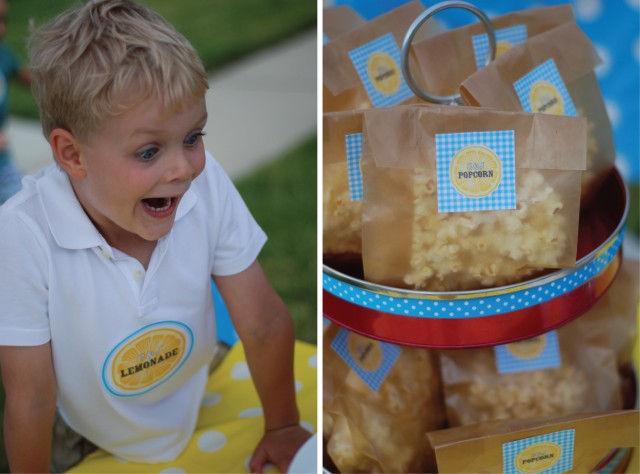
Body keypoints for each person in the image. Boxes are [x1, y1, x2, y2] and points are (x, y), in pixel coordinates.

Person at [0, 1, 311, 472]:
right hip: (81, 431)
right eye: (149, 151)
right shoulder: (22, 234)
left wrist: (284, 426)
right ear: (72, 155)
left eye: (193, 137)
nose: (184, 169)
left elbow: (262, 321)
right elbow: (31, 398)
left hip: (196, 382)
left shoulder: (205, 186)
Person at [0, 0, 32, 204]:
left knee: (23, 202)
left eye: (3, 19)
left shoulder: (3, 55)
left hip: (3, 163)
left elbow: (31, 81)